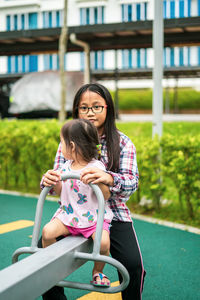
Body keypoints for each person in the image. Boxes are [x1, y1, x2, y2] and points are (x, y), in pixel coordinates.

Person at [41, 83, 146, 300]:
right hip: (72, 211)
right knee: (42, 257)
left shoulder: (123, 143)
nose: (90, 113)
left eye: (97, 107)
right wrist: (50, 181)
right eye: (84, 108)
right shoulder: (67, 143)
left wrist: (109, 177)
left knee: (133, 264)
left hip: (111, 212)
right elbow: (59, 184)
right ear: (76, 111)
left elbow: (132, 183)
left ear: (108, 109)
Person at [42, 119, 113, 287]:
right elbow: (61, 192)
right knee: (47, 232)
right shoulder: (65, 167)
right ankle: (53, 265)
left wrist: (98, 181)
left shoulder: (96, 167)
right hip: (69, 215)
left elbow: (106, 195)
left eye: (62, 142)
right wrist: (55, 182)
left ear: (72, 146)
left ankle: (98, 271)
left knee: (103, 243)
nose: (61, 146)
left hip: (92, 217)